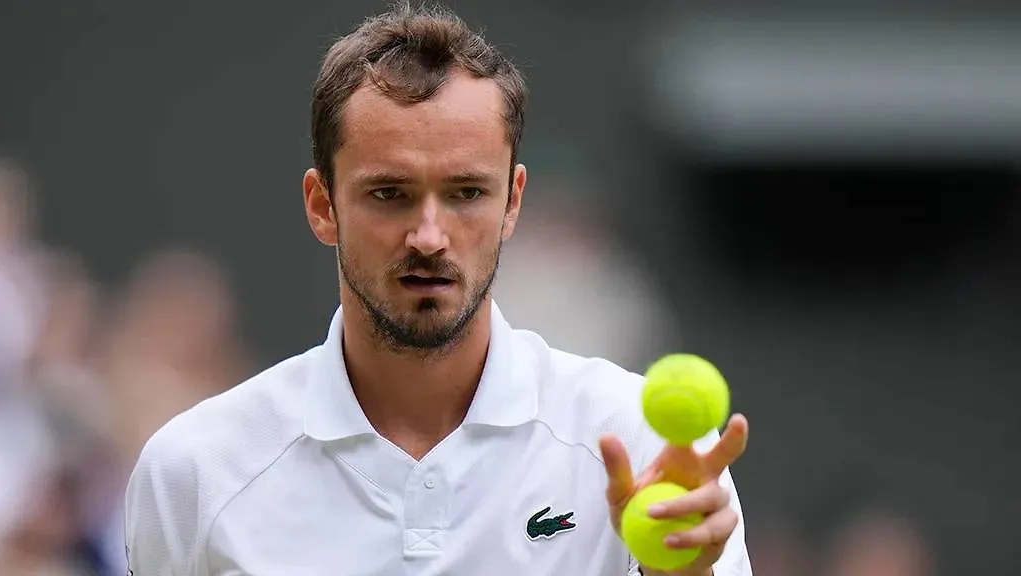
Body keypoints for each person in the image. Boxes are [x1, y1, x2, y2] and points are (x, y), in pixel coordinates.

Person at [124, 3, 752, 575]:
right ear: (322, 206)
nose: (429, 236)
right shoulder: (195, 471)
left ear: (512, 202)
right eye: (389, 193)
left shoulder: (643, 443)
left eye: (466, 193)